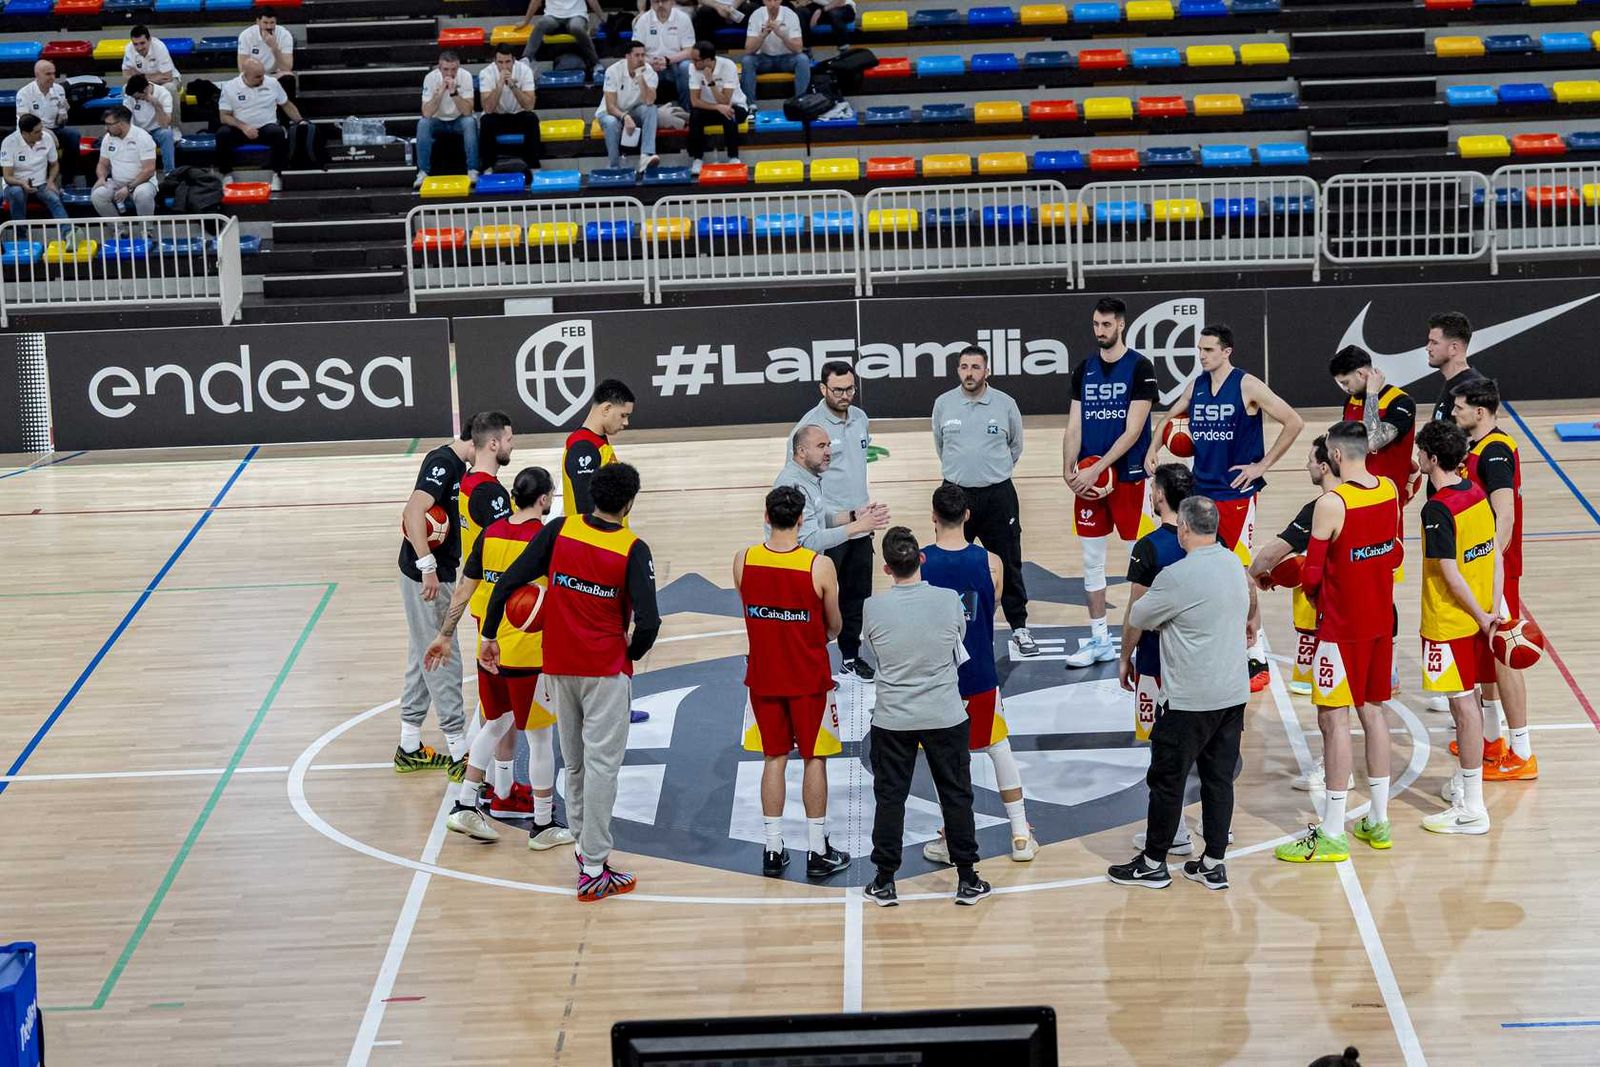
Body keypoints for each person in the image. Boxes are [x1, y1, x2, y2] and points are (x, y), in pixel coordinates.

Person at [481, 462, 661, 903]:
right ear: (629, 503)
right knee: (602, 768)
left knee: (575, 761)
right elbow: (650, 622)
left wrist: (489, 635)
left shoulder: (560, 530)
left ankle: (583, 846)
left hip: (558, 666)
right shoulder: (632, 548)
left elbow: (509, 581)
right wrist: (631, 654)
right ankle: (594, 868)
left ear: (592, 496)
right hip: (604, 672)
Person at [1108, 496, 1253, 891]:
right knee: (1218, 781)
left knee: (1167, 781)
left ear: (1184, 529)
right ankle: (1213, 863)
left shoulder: (1176, 575)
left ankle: (1153, 863)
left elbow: (1140, 615)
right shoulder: (1233, 563)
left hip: (1189, 699)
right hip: (1232, 694)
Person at [1148, 323, 1304, 689]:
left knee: (1240, 574)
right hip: (1200, 492)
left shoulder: (1247, 385)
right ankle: (1214, 639)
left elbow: (1294, 421)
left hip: (1236, 495)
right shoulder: (1197, 386)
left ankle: (1256, 654)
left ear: (1226, 351)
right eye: (1199, 350)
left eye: (1208, 350)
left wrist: (1261, 466)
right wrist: (1153, 448)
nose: (1202, 356)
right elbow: (1167, 418)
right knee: (1201, 568)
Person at [427, 466, 576, 849]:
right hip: (528, 654)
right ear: (544, 499)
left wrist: (445, 634)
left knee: (494, 724)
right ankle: (543, 824)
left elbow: (464, 588)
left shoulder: (491, 533)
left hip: (489, 647)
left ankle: (465, 805)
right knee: (541, 740)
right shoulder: (545, 539)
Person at [1275, 421, 1401, 864]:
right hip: (1381, 621)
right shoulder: (1389, 490)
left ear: (1337, 456)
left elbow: (1311, 573)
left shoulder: (1331, 503)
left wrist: (1305, 589)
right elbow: (1394, 552)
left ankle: (1331, 832)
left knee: (1334, 721)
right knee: (1375, 713)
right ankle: (1379, 820)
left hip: (1341, 626)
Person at [861, 526, 991, 907]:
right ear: (921, 559)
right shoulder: (949, 600)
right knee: (956, 795)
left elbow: (872, 655)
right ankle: (967, 878)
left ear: (886, 568)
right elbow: (958, 638)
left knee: (890, 798)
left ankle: (884, 881)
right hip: (945, 713)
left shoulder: (873, 608)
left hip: (892, 718)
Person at [734, 486, 850, 879]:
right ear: (802, 520)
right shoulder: (819, 566)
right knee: (815, 758)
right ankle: (817, 851)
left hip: (764, 676)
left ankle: (772, 848)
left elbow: (750, 607)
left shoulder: (743, 560)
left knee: (774, 758)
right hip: (808, 678)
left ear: (766, 517)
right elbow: (835, 624)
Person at [921, 485, 1037, 864]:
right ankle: (1020, 834)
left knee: (944, 758)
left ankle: (952, 836)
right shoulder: (992, 562)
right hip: (980, 672)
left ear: (934, 516)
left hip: (938, 677)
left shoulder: (920, 563)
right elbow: (993, 604)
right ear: (967, 515)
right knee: (998, 748)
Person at [1062, 297, 1159, 668]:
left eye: (1106, 324)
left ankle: (1148, 634)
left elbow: (1134, 430)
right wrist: (1068, 470)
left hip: (1130, 478)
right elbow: (1074, 425)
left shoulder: (1141, 368)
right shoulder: (1084, 369)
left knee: (1144, 559)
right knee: (1092, 561)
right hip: (1088, 480)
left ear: (1121, 325)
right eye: (1095, 324)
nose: (1099, 331)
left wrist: (1098, 467)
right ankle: (1100, 638)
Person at [1414, 419, 1497, 835]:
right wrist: (1490, 611)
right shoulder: (1476, 493)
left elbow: (1449, 573)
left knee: (1463, 710)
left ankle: (1472, 809)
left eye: (1420, 452)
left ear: (1431, 458)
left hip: (1451, 622)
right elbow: (1494, 553)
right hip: (1480, 615)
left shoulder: (1438, 509)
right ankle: (1466, 787)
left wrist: (1480, 616)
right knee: (1471, 704)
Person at [1453, 378, 1535, 782]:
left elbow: (1505, 516)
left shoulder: (1496, 451)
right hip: (1480, 567)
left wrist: (1491, 565)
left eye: (1460, 407)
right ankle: (1490, 739)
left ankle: (1522, 752)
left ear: (1480, 412)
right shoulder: (1477, 447)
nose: (1454, 413)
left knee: (1506, 653)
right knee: (1485, 654)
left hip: (1495, 570)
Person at [932, 344, 1037, 656]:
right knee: (950, 560)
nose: (969, 373)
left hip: (997, 496)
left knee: (1009, 561)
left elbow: (1015, 446)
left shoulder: (1005, 404)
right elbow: (940, 445)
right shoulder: (943, 404)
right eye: (964, 367)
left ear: (987, 371)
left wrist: (991, 472)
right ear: (958, 370)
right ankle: (949, 625)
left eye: (976, 367)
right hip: (954, 495)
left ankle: (1019, 627)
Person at [1118, 463, 1199, 852]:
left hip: (1158, 662)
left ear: (1161, 496)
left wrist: (1124, 657)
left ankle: (1175, 832)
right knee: (1208, 746)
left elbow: (1136, 612)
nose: (1150, 494)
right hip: (1202, 659)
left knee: (1163, 748)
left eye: (1153, 489)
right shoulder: (1211, 537)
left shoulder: (1148, 547)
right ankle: (1217, 825)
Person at [396, 426, 475, 774]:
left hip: (430, 573)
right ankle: (459, 755)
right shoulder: (443, 463)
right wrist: (427, 566)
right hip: (428, 578)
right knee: (444, 656)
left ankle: (409, 746)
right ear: (478, 440)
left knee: (423, 654)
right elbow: (413, 512)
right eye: (506, 440)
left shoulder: (456, 464)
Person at [791, 361, 876, 680]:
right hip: (826, 530)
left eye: (850, 388)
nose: (845, 395)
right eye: (838, 389)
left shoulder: (860, 418)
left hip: (860, 524)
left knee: (856, 596)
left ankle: (850, 657)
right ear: (823, 388)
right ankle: (810, 662)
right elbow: (797, 478)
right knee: (817, 599)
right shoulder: (808, 428)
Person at [1251, 437, 1338, 703]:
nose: (1306, 465)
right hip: (1358, 604)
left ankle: (1309, 680)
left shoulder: (1319, 509)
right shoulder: (1368, 497)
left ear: (1324, 467)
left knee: (1326, 702)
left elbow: (1272, 553)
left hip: (1321, 604)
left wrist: (1253, 575)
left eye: (1310, 460)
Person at [773, 425, 890, 562]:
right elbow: (809, 541)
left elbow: (819, 518)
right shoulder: (793, 486)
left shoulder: (808, 477)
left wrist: (853, 516)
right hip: (791, 568)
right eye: (821, 446)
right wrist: (858, 526)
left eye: (829, 445)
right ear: (801, 451)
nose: (829, 452)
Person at [217, 59, 304, 187]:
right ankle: (227, 174)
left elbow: (286, 104)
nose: (262, 79)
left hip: (266, 128)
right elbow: (224, 116)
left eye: (262, 75)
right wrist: (244, 127)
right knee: (222, 134)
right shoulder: (230, 87)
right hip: (240, 129)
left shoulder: (272, 83)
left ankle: (276, 174)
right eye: (257, 77)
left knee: (278, 132)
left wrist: (300, 121)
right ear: (245, 74)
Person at [562, 377, 633, 518]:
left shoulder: (596, 441)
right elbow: (587, 511)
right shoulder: (583, 448)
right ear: (606, 409)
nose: (626, 422)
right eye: (623, 415)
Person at [414, 52, 478, 189]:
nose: (450, 73)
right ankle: (423, 172)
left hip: (459, 120)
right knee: (423, 124)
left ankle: (472, 169)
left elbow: (467, 111)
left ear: (458, 67)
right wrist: (440, 92)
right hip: (437, 121)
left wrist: (454, 93)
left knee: (470, 122)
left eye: (453, 69)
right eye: (446, 69)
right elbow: (426, 113)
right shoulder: (430, 78)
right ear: (439, 68)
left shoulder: (465, 76)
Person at [596, 41, 660, 173]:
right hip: (610, 113)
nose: (641, 59)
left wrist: (640, 77)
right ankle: (614, 166)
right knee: (611, 122)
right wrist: (625, 117)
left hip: (633, 110)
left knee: (651, 109)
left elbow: (649, 101)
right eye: (637, 55)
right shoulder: (613, 71)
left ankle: (646, 155)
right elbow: (610, 106)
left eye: (643, 55)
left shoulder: (649, 72)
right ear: (627, 56)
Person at [686, 41, 748, 173]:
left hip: (735, 105)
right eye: (692, 59)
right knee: (695, 115)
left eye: (696, 60)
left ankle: (733, 156)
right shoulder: (693, 68)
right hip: (710, 108)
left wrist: (711, 82)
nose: (693, 63)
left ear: (708, 60)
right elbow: (695, 101)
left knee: (729, 113)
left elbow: (725, 101)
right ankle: (697, 159)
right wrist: (717, 107)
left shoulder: (728, 66)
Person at [479, 44, 543, 171]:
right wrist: (499, 86)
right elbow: (488, 108)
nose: (504, 66)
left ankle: (534, 166)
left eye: (508, 62)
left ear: (514, 60)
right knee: (485, 121)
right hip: (497, 115)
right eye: (500, 62)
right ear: (495, 61)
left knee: (532, 118)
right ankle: (487, 167)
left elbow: (529, 106)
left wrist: (513, 86)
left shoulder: (525, 71)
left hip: (518, 115)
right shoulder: (486, 73)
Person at [15, 61, 79, 180]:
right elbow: (25, 121)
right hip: (30, 132)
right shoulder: (24, 93)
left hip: (54, 128)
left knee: (73, 135)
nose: (52, 77)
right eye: (48, 74)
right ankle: (41, 179)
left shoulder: (59, 89)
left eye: (54, 74)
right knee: (45, 138)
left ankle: (68, 180)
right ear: (37, 75)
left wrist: (63, 115)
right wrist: (46, 132)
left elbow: (61, 123)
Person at [1, 115, 68, 228]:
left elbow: (54, 164)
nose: (41, 134)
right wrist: (22, 183)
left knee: (54, 199)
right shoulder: (9, 143)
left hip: (41, 183)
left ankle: (68, 232)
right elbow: (7, 176)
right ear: (25, 133)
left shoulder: (47, 138)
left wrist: (51, 181)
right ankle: (21, 234)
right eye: (37, 132)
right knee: (17, 193)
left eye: (41, 129)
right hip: (16, 184)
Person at [91, 107, 159, 218]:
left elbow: (149, 170)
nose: (106, 128)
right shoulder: (108, 138)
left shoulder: (143, 137)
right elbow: (103, 164)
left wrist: (128, 188)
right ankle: (117, 227)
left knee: (143, 194)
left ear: (121, 124)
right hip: (116, 182)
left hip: (142, 182)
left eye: (109, 124)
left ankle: (146, 227)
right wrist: (101, 178)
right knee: (97, 195)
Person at [741, 0, 810, 105]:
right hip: (764, 59)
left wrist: (782, 35)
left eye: (776, 0)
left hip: (786, 59)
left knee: (802, 59)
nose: (773, 4)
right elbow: (749, 50)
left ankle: (801, 102)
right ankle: (749, 104)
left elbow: (798, 49)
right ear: (764, 1)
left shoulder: (790, 15)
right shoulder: (756, 15)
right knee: (747, 61)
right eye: (769, 0)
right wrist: (763, 35)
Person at [1426, 311, 1484, 424]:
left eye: (1434, 343)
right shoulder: (1455, 383)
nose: (1428, 348)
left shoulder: (1471, 390)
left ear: (1453, 348)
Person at [516, 0, 603, 75]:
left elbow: (592, 1)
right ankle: (526, 59)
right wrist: (526, 21)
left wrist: (603, 19)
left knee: (576, 27)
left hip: (577, 15)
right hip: (552, 15)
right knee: (541, 23)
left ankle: (595, 62)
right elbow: (536, 1)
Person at [634, 0, 696, 104]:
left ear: (672, 1)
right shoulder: (643, 20)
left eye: (664, 1)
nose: (660, 5)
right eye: (656, 1)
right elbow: (635, 51)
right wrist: (650, 62)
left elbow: (689, 50)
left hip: (675, 62)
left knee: (686, 67)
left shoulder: (683, 18)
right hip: (650, 64)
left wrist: (667, 60)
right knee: (636, 66)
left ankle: (687, 109)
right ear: (651, 2)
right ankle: (646, 108)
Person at [238, 8, 295, 98]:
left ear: (276, 22)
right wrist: (259, 76)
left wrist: (274, 48)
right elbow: (242, 68)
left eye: (272, 23)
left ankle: (285, 106)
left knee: (289, 77)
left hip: (275, 74)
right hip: (255, 74)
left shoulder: (284, 35)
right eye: (265, 23)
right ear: (258, 22)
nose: (269, 27)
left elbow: (287, 68)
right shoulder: (246, 35)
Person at [124, 75, 176, 173]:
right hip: (138, 131)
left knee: (167, 133)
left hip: (157, 131)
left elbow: (165, 124)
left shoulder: (163, 93)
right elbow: (126, 120)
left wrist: (156, 104)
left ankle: (170, 173)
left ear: (145, 90)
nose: (136, 100)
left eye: (138, 97)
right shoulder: (130, 96)